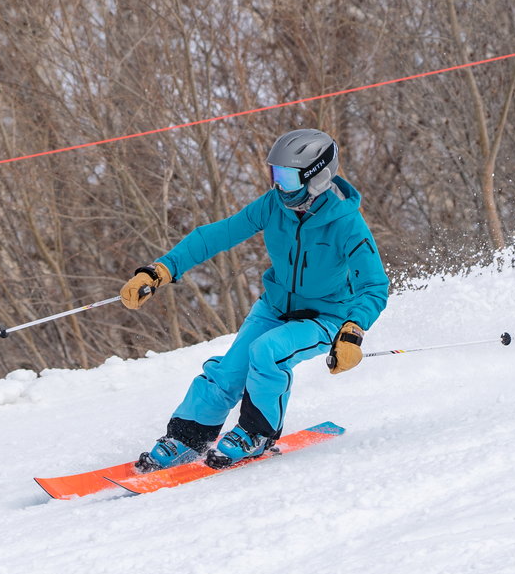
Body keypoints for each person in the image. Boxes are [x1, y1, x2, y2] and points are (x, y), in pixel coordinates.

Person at [120, 128, 389, 470]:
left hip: (326, 317)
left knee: (268, 353)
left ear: (317, 177)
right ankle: (188, 437)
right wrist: (161, 269)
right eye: (276, 174)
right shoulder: (273, 205)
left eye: (288, 177)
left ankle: (256, 434)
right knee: (229, 371)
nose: (279, 185)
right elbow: (216, 235)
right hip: (275, 307)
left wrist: (352, 331)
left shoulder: (346, 222)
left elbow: (375, 285)